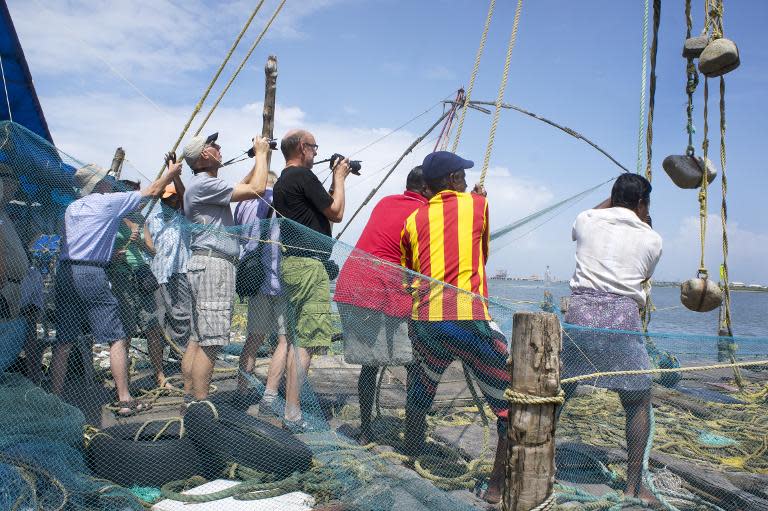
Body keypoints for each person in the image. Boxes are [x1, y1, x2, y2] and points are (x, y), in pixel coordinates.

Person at [399, 151, 509, 505]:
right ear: (450, 181)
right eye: (460, 175)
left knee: (421, 389)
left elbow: (409, 275)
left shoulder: (413, 220)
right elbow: (483, 254)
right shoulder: (478, 206)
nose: (463, 180)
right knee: (510, 404)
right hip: (468, 320)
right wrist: (478, 199)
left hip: (427, 322)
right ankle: (496, 485)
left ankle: (411, 460)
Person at [561, 173, 662, 505]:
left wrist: (616, 201)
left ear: (612, 197)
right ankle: (634, 487)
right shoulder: (652, 239)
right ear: (642, 203)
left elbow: (592, 216)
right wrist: (638, 214)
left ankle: (540, 463)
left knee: (559, 390)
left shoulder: (587, 220)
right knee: (637, 401)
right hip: (622, 318)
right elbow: (642, 273)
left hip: (580, 314)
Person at [51, 161, 180, 417]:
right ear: (100, 184)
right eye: (106, 179)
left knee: (64, 339)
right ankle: (124, 398)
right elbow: (153, 191)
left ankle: (54, 399)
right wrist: (172, 174)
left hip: (65, 271)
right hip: (92, 271)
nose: (111, 181)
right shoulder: (108, 202)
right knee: (117, 337)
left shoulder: (72, 208)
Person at [334, 166, 431, 444]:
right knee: (413, 364)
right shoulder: (424, 214)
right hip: (381, 289)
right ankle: (414, 437)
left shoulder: (386, 201)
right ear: (426, 190)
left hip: (352, 283)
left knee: (370, 365)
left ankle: (365, 432)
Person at [272, 129, 351, 433]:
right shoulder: (303, 177)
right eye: (314, 148)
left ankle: (290, 407)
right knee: (307, 340)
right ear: (303, 147)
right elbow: (336, 212)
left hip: (292, 264)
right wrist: (341, 178)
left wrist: (333, 179)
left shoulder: (283, 181)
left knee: (296, 339)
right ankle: (292, 413)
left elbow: (320, 207)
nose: (316, 153)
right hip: (308, 268)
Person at [182, 133, 270, 402]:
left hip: (203, 262)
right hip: (214, 265)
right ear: (204, 155)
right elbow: (257, 188)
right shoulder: (204, 184)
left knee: (198, 339)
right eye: (214, 145)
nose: (219, 148)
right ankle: (201, 408)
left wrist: (257, 159)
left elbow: (244, 184)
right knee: (212, 343)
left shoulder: (202, 185)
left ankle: (190, 403)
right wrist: (263, 153)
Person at [233, 171, 288, 412]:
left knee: (253, 338)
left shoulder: (243, 204)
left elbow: (238, 235)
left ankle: (241, 390)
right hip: (280, 280)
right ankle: (269, 395)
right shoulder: (281, 201)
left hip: (255, 279)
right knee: (284, 341)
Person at [108, 209, 169, 388]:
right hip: (121, 276)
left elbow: (152, 251)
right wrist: (114, 254)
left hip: (142, 276)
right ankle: (123, 383)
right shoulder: (112, 218)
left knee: (152, 327)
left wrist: (139, 241)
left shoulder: (140, 219)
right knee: (125, 331)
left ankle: (160, 376)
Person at [146, 183, 192, 375]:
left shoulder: (184, 218)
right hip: (156, 275)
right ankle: (159, 373)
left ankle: (184, 364)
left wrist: (175, 175)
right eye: (165, 198)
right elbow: (148, 247)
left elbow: (186, 197)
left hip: (179, 273)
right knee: (156, 324)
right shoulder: (151, 218)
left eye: (173, 198)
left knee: (183, 319)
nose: (169, 201)